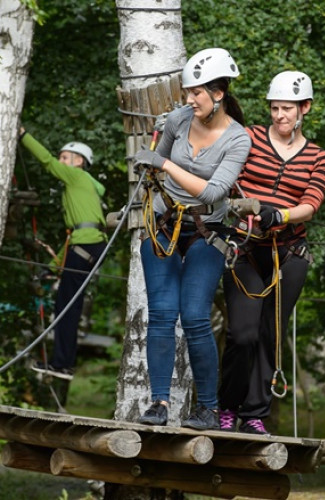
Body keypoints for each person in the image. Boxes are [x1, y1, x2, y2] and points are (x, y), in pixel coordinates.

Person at [132, 48, 250, 430]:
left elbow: (213, 193)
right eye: (187, 92)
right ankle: (160, 403)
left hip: (205, 232)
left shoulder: (238, 139)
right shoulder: (179, 120)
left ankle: (208, 408)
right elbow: (156, 161)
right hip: (165, 224)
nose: (188, 100)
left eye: (195, 92)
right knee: (163, 315)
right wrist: (151, 164)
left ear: (218, 94)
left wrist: (163, 164)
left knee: (196, 315)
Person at [218, 71, 325, 434]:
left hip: (289, 252)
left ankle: (254, 415)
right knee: (242, 333)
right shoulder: (249, 137)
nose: (280, 116)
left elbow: (310, 205)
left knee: (270, 333)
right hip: (245, 247)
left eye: (287, 109)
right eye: (274, 108)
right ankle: (227, 406)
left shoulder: (318, 157)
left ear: (305, 109)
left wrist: (279, 214)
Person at [18, 128, 106, 380]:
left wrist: (22, 135)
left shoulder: (77, 177)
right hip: (87, 246)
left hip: (86, 246)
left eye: (65, 157)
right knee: (69, 305)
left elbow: (45, 160)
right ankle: (63, 363)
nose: (60, 162)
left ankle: (61, 364)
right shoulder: (84, 188)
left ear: (79, 162)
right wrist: (52, 267)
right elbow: (73, 239)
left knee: (66, 307)